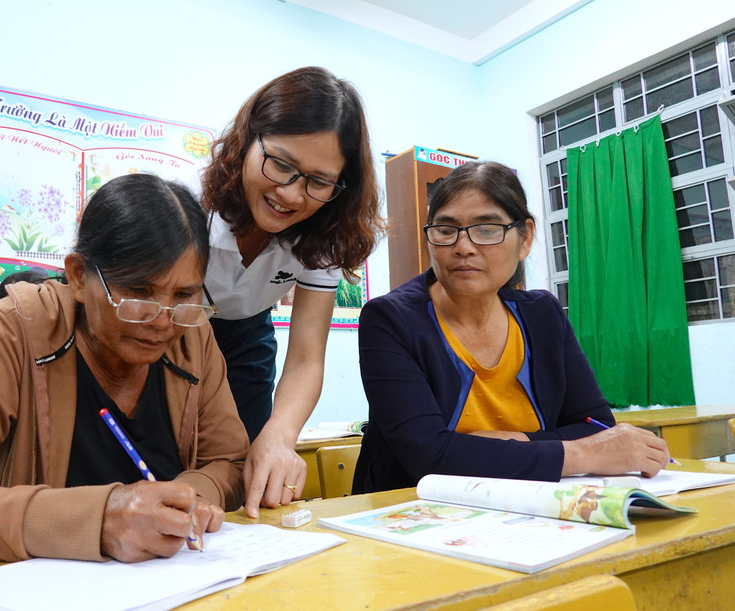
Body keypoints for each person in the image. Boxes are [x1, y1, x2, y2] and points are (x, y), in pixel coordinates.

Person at [0, 173, 249, 564]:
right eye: (138, 293)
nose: (163, 322)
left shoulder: (191, 339)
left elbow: (229, 462)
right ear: (79, 276)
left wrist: (193, 496)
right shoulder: (14, 332)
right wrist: (99, 520)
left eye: (184, 296)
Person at [352, 161, 670, 494]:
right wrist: (582, 453)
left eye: (487, 229)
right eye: (446, 230)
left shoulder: (543, 315)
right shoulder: (390, 319)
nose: (463, 246)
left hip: (531, 505)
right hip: (414, 513)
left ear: (525, 237)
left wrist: (512, 441)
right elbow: (429, 458)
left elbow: (595, 425)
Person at [201, 66, 384, 517]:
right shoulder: (190, 207)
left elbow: (306, 357)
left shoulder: (321, 234)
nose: (290, 194)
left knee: (244, 464)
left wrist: (280, 437)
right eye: (280, 164)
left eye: (318, 182)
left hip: (246, 332)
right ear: (248, 139)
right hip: (172, 328)